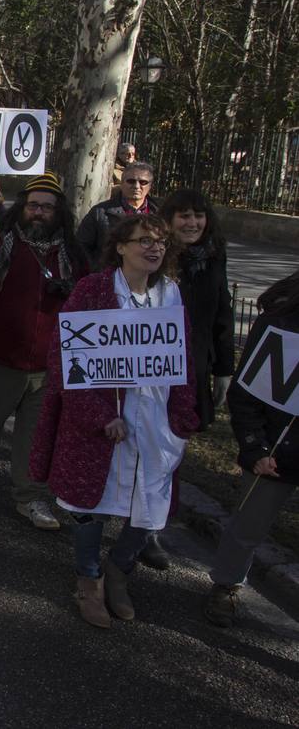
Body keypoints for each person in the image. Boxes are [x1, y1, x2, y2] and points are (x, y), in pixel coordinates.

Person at [30, 214, 199, 628]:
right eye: (143, 241)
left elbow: (184, 360)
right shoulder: (94, 291)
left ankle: (118, 572)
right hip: (104, 422)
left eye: (160, 242)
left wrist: (182, 416)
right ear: (121, 247)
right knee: (91, 503)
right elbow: (65, 357)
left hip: (155, 418)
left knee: (151, 506)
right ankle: (88, 580)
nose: (154, 248)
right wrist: (99, 414)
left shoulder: (171, 295)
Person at [0, 172, 89, 529]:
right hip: (2, 356)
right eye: (33, 206)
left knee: (35, 434)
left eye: (47, 207)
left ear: (58, 212)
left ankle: (29, 497)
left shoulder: (71, 254)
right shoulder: (2, 242)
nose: (39, 212)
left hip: (49, 363)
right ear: (22, 208)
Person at [137, 189, 233, 569]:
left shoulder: (213, 257)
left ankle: (151, 530)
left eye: (199, 216)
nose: (192, 223)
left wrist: (223, 368)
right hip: (147, 370)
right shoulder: (153, 256)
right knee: (139, 448)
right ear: (169, 220)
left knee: (170, 453)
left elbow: (222, 312)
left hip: (191, 372)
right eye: (184, 216)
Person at [203, 269, 299, 628]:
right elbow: (244, 397)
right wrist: (254, 447)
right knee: (248, 526)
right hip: (274, 452)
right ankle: (226, 585)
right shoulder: (280, 322)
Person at [76, 161, 158, 266]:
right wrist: (97, 272)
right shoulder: (99, 212)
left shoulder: (159, 214)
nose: (136, 186)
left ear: (150, 186)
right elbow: (81, 247)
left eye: (143, 182)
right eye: (131, 181)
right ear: (122, 183)